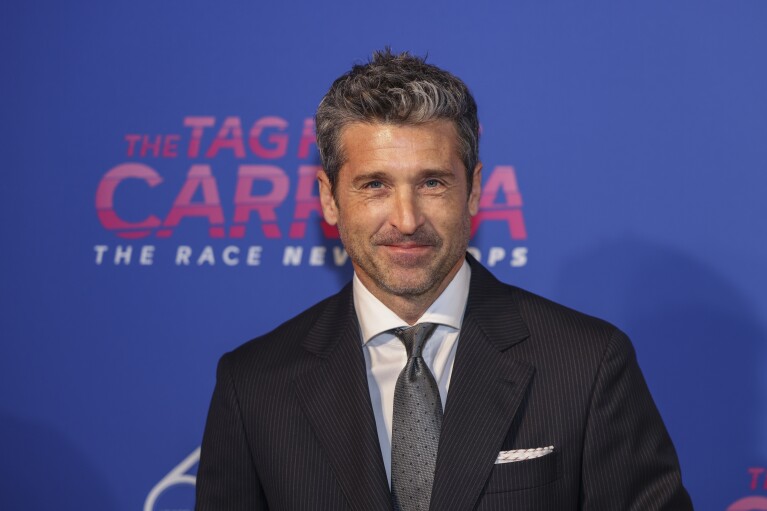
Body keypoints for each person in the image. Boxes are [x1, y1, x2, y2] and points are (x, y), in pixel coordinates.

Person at [195, 49, 693, 510]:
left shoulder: (587, 364)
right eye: (375, 185)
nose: (406, 219)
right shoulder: (254, 386)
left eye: (432, 183)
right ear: (328, 198)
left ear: (473, 191)